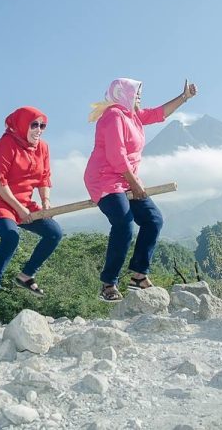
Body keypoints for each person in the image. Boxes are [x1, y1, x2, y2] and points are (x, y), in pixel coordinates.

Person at [84, 77, 198, 302]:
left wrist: (184, 97)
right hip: (104, 179)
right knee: (124, 224)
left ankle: (138, 275)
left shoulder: (132, 115)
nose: (139, 97)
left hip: (126, 179)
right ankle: (108, 283)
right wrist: (135, 185)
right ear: (122, 94)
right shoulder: (113, 116)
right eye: (136, 93)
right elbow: (116, 154)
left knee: (153, 220)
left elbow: (157, 114)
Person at [0, 106, 63, 313]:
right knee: (11, 237)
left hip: (24, 202)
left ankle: (26, 275)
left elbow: (44, 178)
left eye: (42, 126)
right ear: (22, 125)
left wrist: (45, 202)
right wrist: (19, 210)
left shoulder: (43, 147)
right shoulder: (5, 144)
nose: (39, 129)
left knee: (54, 233)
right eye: (34, 125)